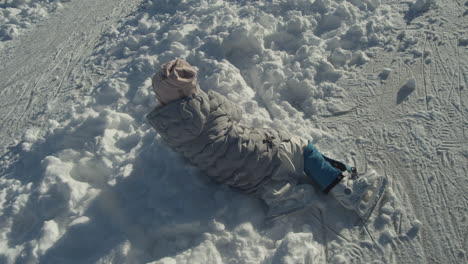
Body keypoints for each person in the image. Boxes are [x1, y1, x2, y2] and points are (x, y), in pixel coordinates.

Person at [147, 59, 382, 219]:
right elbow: (236, 113)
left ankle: (279, 195)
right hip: (260, 155)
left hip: (238, 179)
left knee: (258, 169)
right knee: (303, 149)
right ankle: (346, 190)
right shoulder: (210, 102)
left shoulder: (168, 131)